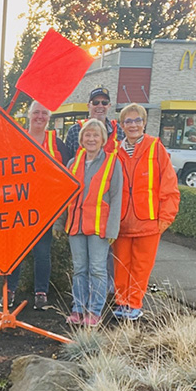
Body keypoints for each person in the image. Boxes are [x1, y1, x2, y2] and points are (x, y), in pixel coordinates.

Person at [111, 103, 180, 320]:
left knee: (141, 266)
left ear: (144, 122)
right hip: (121, 222)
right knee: (121, 264)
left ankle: (134, 304)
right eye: (128, 121)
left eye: (137, 120)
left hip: (148, 221)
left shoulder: (155, 148)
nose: (133, 125)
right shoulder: (114, 150)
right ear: (122, 125)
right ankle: (122, 302)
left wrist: (165, 219)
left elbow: (169, 187)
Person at [6, 101, 70, 310]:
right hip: (18, 207)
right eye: (36, 112)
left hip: (44, 210)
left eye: (44, 113)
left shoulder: (56, 143)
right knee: (15, 252)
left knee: (42, 253)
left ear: (49, 118)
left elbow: (68, 174)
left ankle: (41, 293)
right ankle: (9, 292)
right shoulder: (16, 139)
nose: (39, 116)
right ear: (28, 115)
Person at [64, 119, 123, 326]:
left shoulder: (113, 162)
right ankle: (78, 309)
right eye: (87, 135)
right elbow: (65, 195)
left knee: (98, 269)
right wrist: (58, 224)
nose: (91, 139)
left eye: (95, 135)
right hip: (75, 225)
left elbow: (117, 197)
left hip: (100, 227)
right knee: (79, 268)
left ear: (102, 140)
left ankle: (95, 311)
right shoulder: (73, 163)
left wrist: (113, 228)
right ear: (81, 139)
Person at [64, 86, 123, 161]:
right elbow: (66, 161)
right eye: (96, 102)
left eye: (104, 103)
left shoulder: (119, 130)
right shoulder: (74, 130)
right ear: (88, 106)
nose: (100, 106)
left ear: (109, 106)